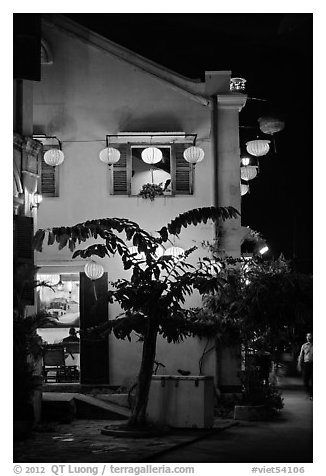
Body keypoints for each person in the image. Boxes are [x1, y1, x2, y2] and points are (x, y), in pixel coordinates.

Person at [297, 332, 313, 399]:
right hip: (306, 364)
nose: (309, 337)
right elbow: (301, 356)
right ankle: (310, 392)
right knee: (305, 380)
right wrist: (299, 364)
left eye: (310, 336)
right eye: (307, 336)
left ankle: (311, 395)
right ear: (306, 337)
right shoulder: (304, 346)